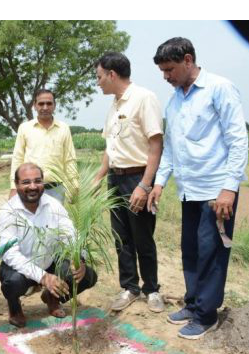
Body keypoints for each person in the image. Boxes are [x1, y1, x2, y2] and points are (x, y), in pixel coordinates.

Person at [148, 37, 249, 339]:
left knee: (212, 253)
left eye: (170, 69)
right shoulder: (175, 99)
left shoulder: (220, 88)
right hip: (189, 190)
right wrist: (160, 182)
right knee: (190, 251)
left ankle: (206, 316)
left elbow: (237, 140)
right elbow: (172, 148)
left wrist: (229, 189)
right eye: (163, 71)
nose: (166, 77)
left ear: (188, 60)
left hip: (216, 191)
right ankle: (193, 304)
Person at [93, 52, 165, 313]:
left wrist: (144, 185)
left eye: (99, 77)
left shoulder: (144, 98)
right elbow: (109, 147)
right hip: (115, 178)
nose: (98, 82)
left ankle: (152, 289)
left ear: (112, 74)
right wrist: (99, 178)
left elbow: (156, 144)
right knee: (121, 237)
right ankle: (130, 288)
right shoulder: (114, 105)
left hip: (137, 177)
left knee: (143, 236)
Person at [0, 162, 97, 328]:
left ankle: (52, 297)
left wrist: (79, 258)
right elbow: (10, 254)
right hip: (20, 268)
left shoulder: (53, 204)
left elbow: (70, 234)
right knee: (12, 283)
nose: (33, 186)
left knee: (87, 276)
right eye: (26, 182)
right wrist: (42, 277)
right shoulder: (8, 211)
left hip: (49, 262)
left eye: (38, 181)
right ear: (16, 184)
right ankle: (14, 308)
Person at [9, 89, 78, 203]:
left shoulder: (63, 128)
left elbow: (69, 159)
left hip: (56, 189)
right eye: (41, 104)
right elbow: (17, 158)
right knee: (30, 220)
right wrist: (13, 187)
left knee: (55, 220)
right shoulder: (25, 128)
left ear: (54, 106)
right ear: (34, 106)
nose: (45, 107)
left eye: (49, 103)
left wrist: (74, 186)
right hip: (30, 188)